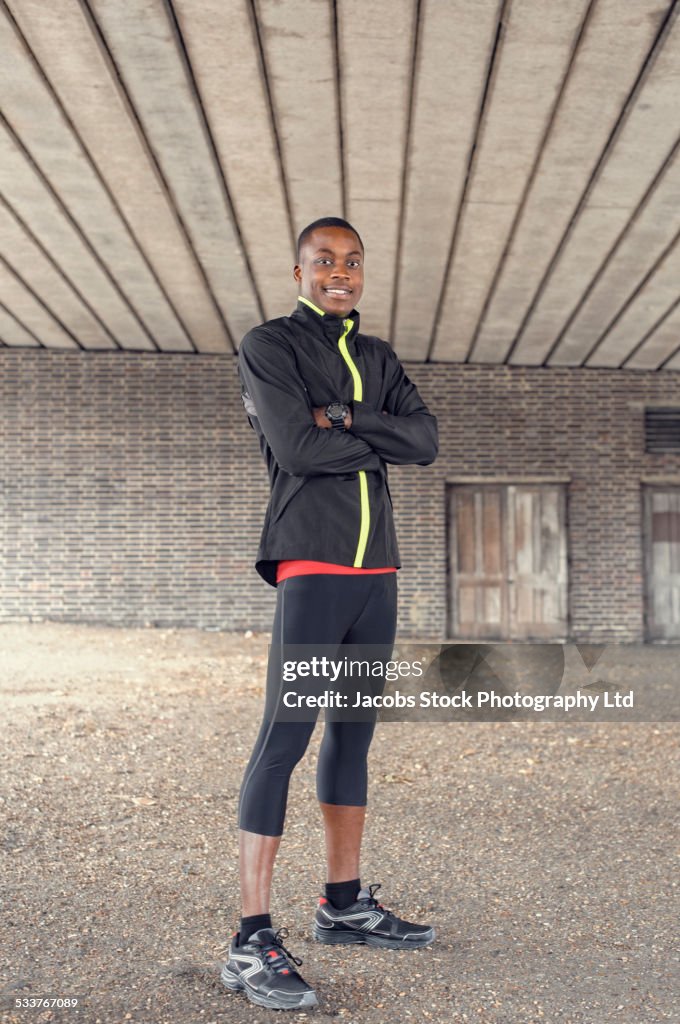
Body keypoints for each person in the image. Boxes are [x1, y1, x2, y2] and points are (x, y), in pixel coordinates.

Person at [220, 217, 439, 1011]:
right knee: (285, 734)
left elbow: (426, 441)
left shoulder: (377, 357)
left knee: (353, 736)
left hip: (377, 569)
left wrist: (344, 418)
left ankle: (343, 905)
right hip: (312, 562)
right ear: (299, 271)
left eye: (351, 262)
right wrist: (378, 436)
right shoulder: (270, 345)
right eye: (323, 262)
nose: (338, 273)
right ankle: (250, 940)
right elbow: (297, 451)